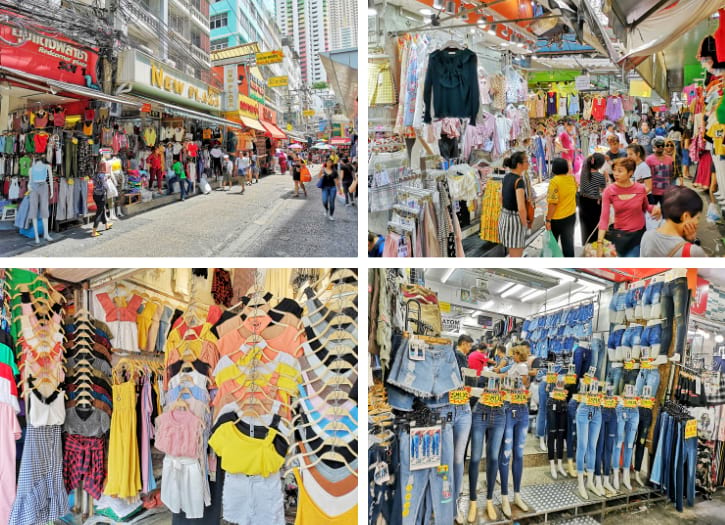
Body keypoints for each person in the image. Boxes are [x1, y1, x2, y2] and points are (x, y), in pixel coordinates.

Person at [597, 158, 661, 257]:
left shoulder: (640, 188)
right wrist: (600, 243)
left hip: (638, 235)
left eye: (620, 171)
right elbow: (604, 218)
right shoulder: (609, 191)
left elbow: (645, 207)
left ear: (630, 172)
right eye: (614, 170)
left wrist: (654, 209)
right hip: (619, 236)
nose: (615, 174)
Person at [641, 186, 706, 257]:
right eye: (697, 218)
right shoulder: (694, 251)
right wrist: (691, 242)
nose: (697, 222)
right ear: (685, 216)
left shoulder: (647, 236)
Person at [498, 152, 530, 257]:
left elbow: (500, 198)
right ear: (519, 165)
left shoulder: (506, 177)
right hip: (515, 221)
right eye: (526, 161)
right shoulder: (519, 181)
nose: (528, 163)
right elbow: (521, 208)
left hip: (504, 218)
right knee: (516, 255)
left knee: (512, 251)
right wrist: (525, 223)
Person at [545, 158, 577, 257]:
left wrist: (548, 220)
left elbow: (553, 203)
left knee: (552, 245)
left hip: (557, 219)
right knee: (568, 243)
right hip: (571, 216)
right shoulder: (572, 178)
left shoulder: (554, 182)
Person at [578, 153, 607, 246]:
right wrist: (606, 178)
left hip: (582, 200)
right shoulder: (600, 177)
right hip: (594, 203)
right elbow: (603, 190)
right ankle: (593, 245)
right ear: (601, 165)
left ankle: (585, 243)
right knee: (594, 225)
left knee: (584, 224)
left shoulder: (583, 172)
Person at [646, 137, 675, 205]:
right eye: (658, 146)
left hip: (666, 191)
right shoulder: (649, 159)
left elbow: (671, 174)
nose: (661, 147)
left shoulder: (670, 159)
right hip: (653, 191)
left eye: (662, 145)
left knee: (665, 211)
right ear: (654, 147)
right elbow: (646, 176)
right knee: (652, 213)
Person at [91, 161, 112, 237]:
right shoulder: (102, 175)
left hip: (95, 195)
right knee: (99, 212)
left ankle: (106, 225)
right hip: (101, 195)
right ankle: (94, 231)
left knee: (102, 209)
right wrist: (106, 182)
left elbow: (95, 183)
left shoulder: (95, 174)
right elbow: (105, 186)